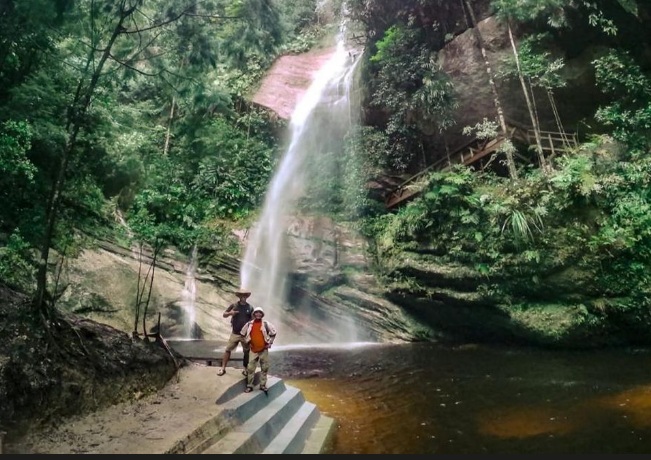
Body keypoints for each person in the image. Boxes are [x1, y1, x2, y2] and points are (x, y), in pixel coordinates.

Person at [216, 287, 254, 377]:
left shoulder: (250, 307)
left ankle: (245, 369)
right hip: (235, 333)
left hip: (245, 334)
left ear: (247, 296)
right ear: (239, 296)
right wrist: (230, 313)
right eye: (241, 295)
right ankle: (223, 368)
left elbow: (252, 320)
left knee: (247, 352)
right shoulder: (234, 305)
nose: (243, 296)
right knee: (227, 350)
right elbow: (224, 314)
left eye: (245, 295)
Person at [240, 307, 277, 393]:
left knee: (264, 368)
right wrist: (246, 342)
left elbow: (274, 333)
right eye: (256, 313)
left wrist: (270, 342)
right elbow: (242, 333)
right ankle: (249, 386)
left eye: (260, 313)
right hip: (253, 350)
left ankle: (262, 385)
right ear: (254, 314)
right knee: (250, 368)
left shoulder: (266, 324)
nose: (258, 314)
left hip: (263, 349)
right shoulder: (249, 324)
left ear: (262, 314)